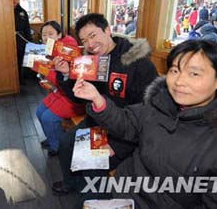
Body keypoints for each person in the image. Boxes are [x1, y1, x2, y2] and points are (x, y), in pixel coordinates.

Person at [73, 39, 217, 208]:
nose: (179, 82)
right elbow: (129, 122)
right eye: (175, 71)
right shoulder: (160, 102)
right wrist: (97, 99)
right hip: (123, 187)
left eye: (194, 73)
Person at [51, 13, 158, 198]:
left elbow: (148, 116)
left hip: (125, 134)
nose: (90, 44)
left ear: (108, 30)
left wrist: (117, 146)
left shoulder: (139, 64)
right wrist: (67, 75)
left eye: (93, 35)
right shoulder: (90, 61)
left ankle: (93, 198)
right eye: (84, 40)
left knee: (91, 163)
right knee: (66, 142)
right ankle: (72, 183)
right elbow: (78, 99)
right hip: (97, 122)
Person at [35, 21, 86, 156]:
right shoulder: (48, 51)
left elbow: (65, 81)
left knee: (48, 118)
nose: (47, 37)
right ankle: (52, 137)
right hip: (59, 92)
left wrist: (43, 69)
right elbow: (54, 81)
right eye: (44, 35)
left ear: (59, 35)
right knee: (39, 112)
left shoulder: (68, 51)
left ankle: (57, 146)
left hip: (73, 97)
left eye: (51, 34)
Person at [13, 0, 32, 83]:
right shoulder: (3, 11)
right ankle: (12, 80)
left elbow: (27, 28)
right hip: (8, 40)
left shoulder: (23, 12)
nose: (13, 0)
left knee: (20, 59)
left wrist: (30, 42)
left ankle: (20, 79)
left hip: (20, 39)